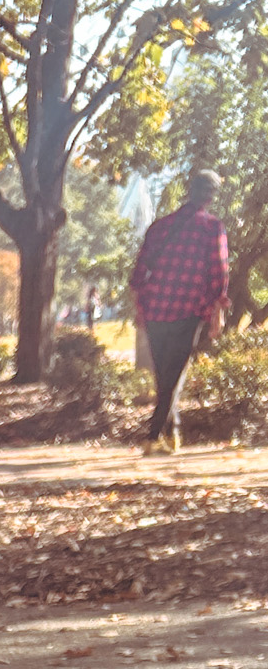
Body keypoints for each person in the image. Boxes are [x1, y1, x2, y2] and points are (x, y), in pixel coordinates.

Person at [130, 170, 229, 455]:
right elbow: (218, 272)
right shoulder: (213, 228)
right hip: (189, 308)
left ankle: (172, 433)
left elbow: (139, 272)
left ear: (189, 190)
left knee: (165, 372)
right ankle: (152, 436)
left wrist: (139, 308)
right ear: (211, 195)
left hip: (155, 308)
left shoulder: (160, 226)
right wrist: (217, 312)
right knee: (172, 373)